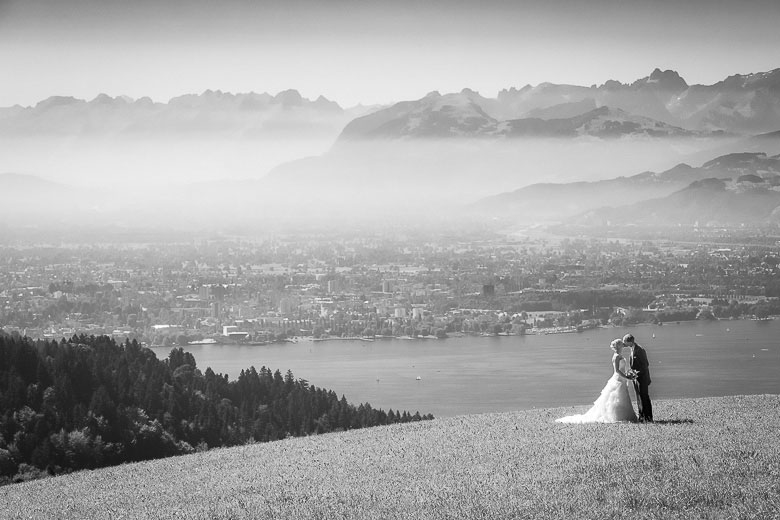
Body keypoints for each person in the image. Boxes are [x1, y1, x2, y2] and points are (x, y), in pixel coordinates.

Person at [556, 339, 637, 423]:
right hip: (618, 378)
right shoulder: (616, 356)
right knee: (616, 398)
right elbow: (617, 370)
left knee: (623, 397)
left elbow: (622, 368)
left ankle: (627, 416)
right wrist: (626, 377)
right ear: (618, 346)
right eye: (621, 344)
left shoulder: (620, 355)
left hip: (622, 378)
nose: (623, 345)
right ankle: (617, 416)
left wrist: (627, 374)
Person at [623, 333, 653, 422]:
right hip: (637, 378)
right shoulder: (632, 349)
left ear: (630, 341)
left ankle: (648, 417)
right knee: (639, 397)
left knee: (644, 397)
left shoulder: (640, 350)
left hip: (642, 378)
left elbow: (645, 365)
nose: (624, 344)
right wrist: (632, 373)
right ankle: (642, 417)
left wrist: (636, 374)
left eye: (625, 342)